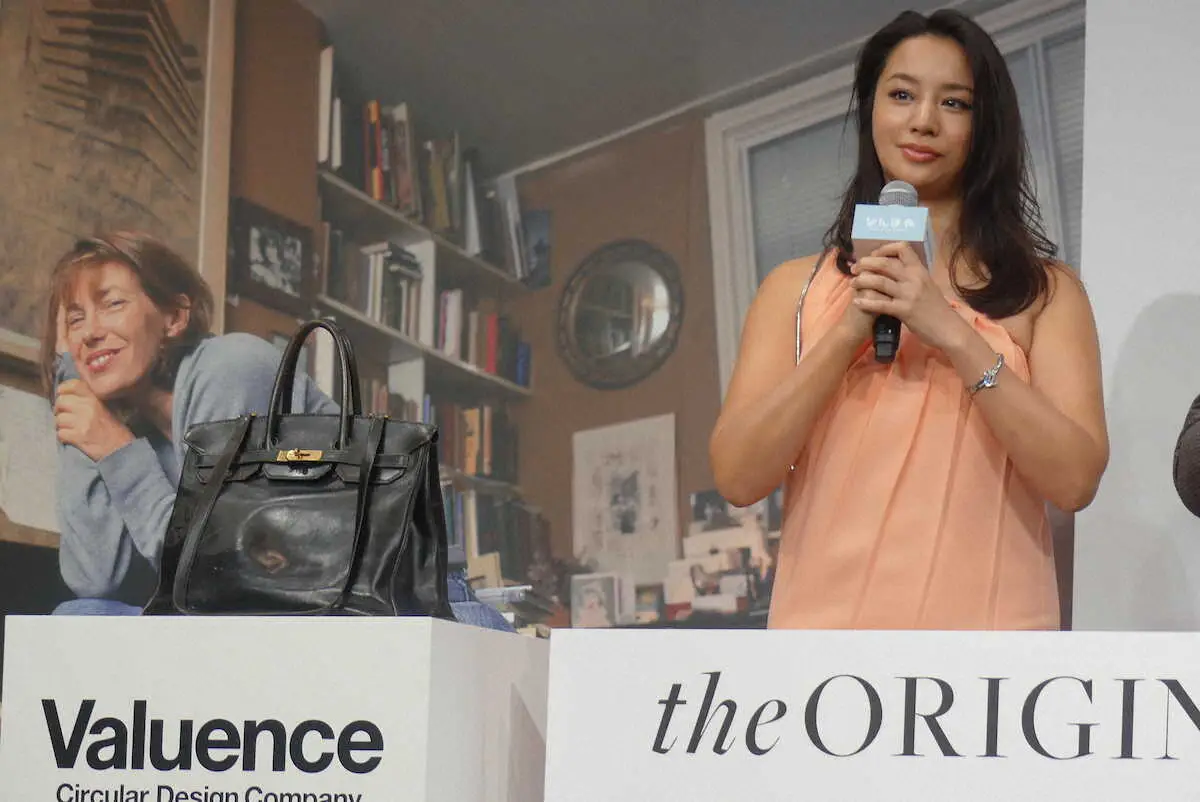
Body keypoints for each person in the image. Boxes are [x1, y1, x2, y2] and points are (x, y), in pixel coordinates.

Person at [708, 10, 1108, 631]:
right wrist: (850, 329)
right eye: (901, 95)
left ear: (985, 124)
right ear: (871, 108)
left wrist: (948, 329)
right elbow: (738, 476)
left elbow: (1075, 480)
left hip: (990, 646)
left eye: (954, 102)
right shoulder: (793, 289)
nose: (923, 120)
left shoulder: (1045, 292)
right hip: (826, 649)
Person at [43, 231, 512, 631]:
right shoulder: (125, 425)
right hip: (271, 611)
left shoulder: (228, 367)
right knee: (78, 618)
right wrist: (76, 394)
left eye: (112, 304)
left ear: (174, 317)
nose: (89, 332)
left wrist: (117, 450)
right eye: (75, 318)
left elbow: (219, 571)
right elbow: (95, 579)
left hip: (390, 599)